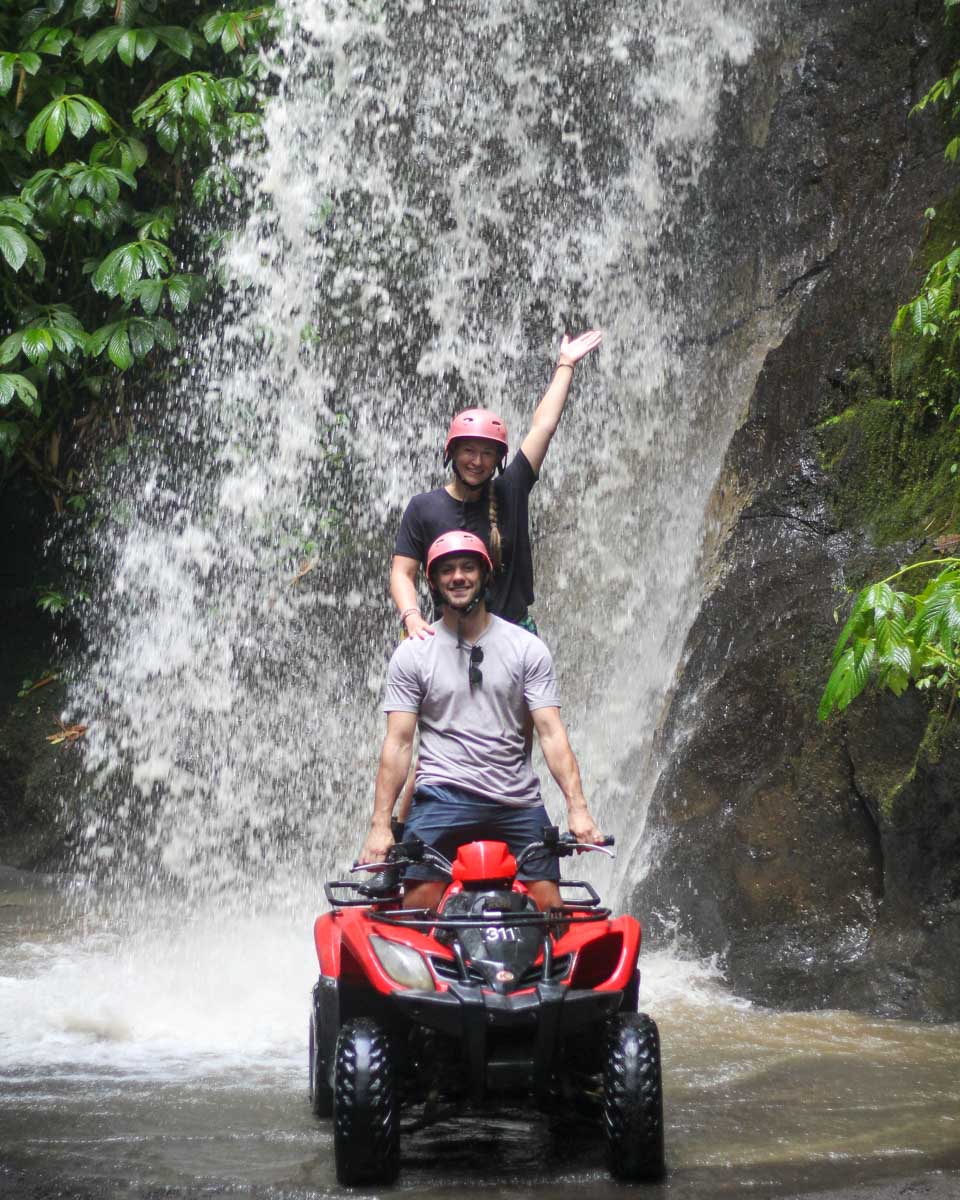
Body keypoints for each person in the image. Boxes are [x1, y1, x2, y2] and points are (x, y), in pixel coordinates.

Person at [359, 530, 604, 912]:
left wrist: (578, 809)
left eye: (468, 567)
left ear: (485, 576)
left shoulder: (526, 648)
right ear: (433, 581)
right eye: (447, 570)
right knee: (417, 906)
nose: (458, 577)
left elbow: (552, 733)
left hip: (516, 801)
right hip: (442, 795)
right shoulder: (413, 654)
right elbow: (399, 743)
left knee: (549, 908)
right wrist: (380, 827)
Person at [391, 330, 603, 639]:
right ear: (451, 453)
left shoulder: (511, 489)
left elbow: (543, 427)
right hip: (452, 638)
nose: (477, 461)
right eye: (468, 451)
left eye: (487, 453)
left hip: (513, 635)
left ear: (498, 460)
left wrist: (565, 364)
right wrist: (411, 617)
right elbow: (402, 572)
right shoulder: (423, 508)